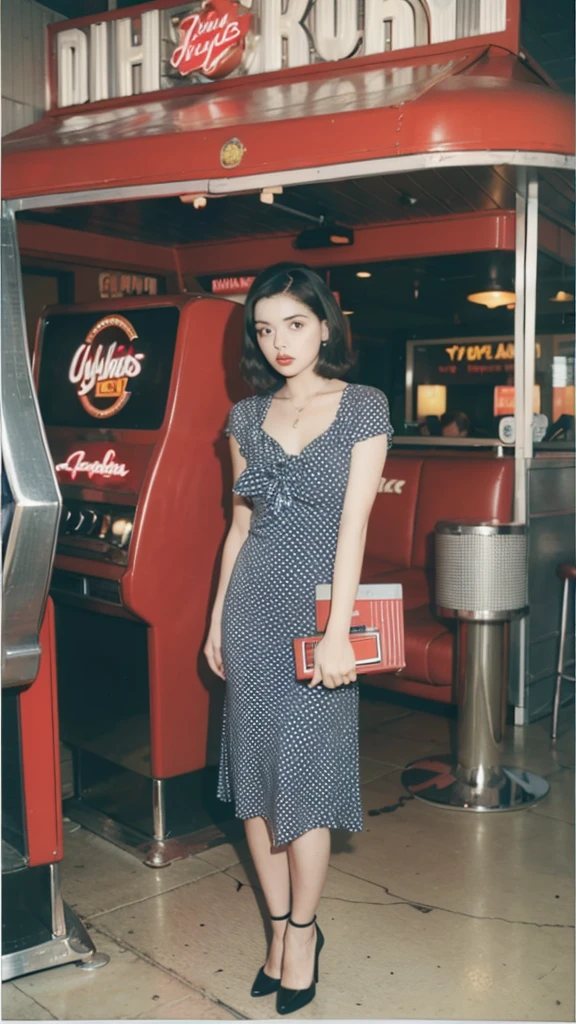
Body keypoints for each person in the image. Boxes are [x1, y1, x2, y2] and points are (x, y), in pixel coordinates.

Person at [203, 263, 392, 1015]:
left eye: (294, 323)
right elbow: (240, 526)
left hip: (318, 617)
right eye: (265, 327)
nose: (279, 342)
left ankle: (306, 932)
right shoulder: (246, 418)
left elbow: (355, 526)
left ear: (325, 325)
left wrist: (339, 631)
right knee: (254, 783)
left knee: (304, 785)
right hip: (251, 608)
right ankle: (277, 929)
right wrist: (216, 618)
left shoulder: (363, 408)